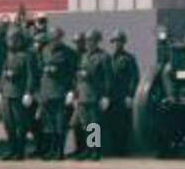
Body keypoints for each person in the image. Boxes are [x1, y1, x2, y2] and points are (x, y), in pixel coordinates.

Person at [0, 28, 38, 161]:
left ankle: (19, 152)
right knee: (9, 124)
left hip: (19, 94)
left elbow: (31, 76)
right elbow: (2, 74)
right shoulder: (8, 55)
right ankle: (12, 149)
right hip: (6, 94)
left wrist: (28, 92)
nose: (11, 42)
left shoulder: (27, 55)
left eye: (13, 39)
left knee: (20, 125)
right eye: (9, 40)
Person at [38, 28, 77, 161]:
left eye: (58, 38)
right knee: (49, 125)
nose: (55, 40)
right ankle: (52, 150)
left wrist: (72, 91)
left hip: (61, 92)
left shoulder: (69, 53)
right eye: (53, 38)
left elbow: (73, 73)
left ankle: (62, 151)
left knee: (61, 124)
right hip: (47, 92)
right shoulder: (44, 51)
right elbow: (40, 69)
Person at [72, 29, 110, 161]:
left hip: (95, 94)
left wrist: (106, 96)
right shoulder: (83, 56)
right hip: (83, 94)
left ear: (97, 42)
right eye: (87, 41)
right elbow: (78, 77)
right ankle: (87, 150)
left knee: (94, 124)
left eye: (91, 41)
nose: (89, 43)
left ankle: (95, 151)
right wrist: (76, 94)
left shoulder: (103, 57)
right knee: (84, 124)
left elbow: (107, 78)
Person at [105, 30, 139, 156]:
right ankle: (93, 148)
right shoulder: (107, 58)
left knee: (122, 125)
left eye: (118, 41)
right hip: (107, 97)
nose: (115, 44)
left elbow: (134, 78)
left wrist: (130, 95)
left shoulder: (128, 59)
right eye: (113, 41)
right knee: (99, 124)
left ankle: (121, 150)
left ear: (123, 43)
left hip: (122, 96)